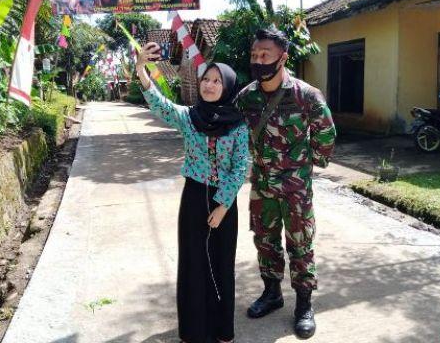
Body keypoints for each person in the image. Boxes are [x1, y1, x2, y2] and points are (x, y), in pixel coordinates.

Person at [136, 42, 250, 343]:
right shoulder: (189, 117)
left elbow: (241, 166)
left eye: (216, 81)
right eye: (206, 79)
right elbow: (160, 105)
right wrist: (141, 69)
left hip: (225, 202)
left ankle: (222, 329)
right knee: (193, 262)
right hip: (194, 197)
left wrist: (223, 205)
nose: (209, 85)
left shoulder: (238, 125)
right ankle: (193, 331)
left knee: (222, 263)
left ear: (227, 87)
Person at [237, 27, 336, 339]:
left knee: (300, 244)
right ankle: (272, 293)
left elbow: (325, 134)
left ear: (283, 58)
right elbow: (234, 133)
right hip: (262, 185)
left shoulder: (306, 95)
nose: (258, 61)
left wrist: (305, 166)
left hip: (296, 189)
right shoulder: (246, 97)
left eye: (265, 55)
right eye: (254, 55)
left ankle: (304, 305)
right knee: (265, 241)